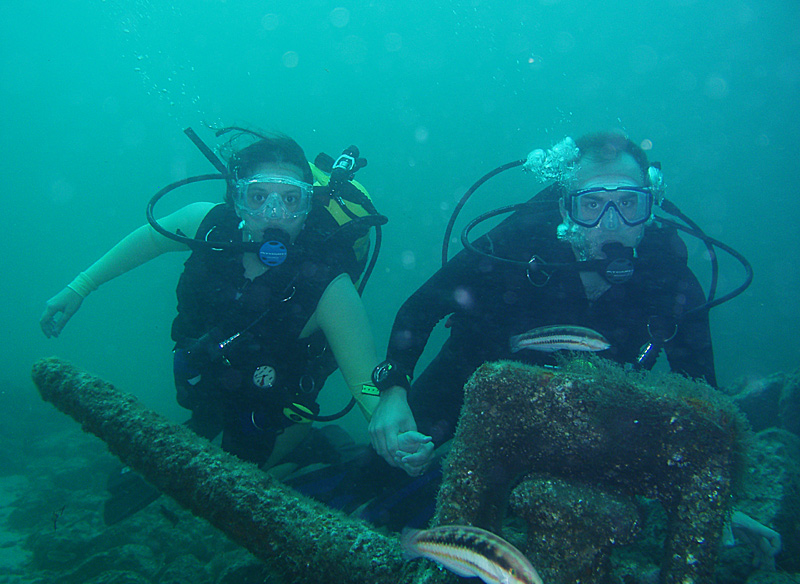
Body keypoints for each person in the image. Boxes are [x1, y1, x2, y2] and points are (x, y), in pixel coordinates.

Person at [368, 131, 718, 477]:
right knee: (384, 469)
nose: (612, 224)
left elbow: (701, 395)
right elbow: (422, 306)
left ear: (650, 206)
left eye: (629, 203)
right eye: (592, 204)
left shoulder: (669, 278)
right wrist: (393, 392)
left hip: (596, 429)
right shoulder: (519, 242)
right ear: (566, 207)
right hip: (464, 383)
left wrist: (716, 492)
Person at [40, 131, 382, 471]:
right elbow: (150, 240)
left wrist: (390, 420)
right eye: (258, 196)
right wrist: (80, 287)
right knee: (204, 407)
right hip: (209, 372)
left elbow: (366, 383)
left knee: (249, 461)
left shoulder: (329, 286)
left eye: (291, 200)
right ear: (237, 199)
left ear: (308, 207)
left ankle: (311, 447)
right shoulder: (206, 225)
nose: (274, 214)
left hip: (272, 405)